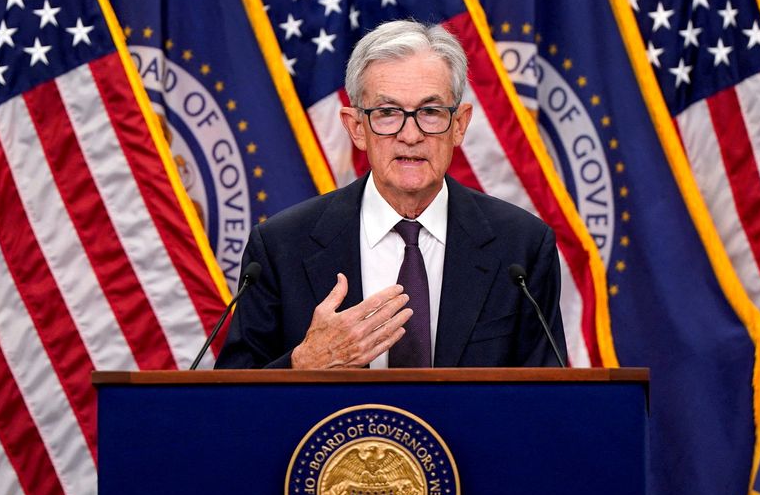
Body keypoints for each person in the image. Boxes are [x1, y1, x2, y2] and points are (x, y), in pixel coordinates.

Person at [215, 20, 567, 369]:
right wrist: (303, 364)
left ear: (459, 125)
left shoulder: (521, 247)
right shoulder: (281, 248)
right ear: (356, 128)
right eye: (387, 113)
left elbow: (547, 402)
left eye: (430, 112)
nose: (410, 135)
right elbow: (229, 405)